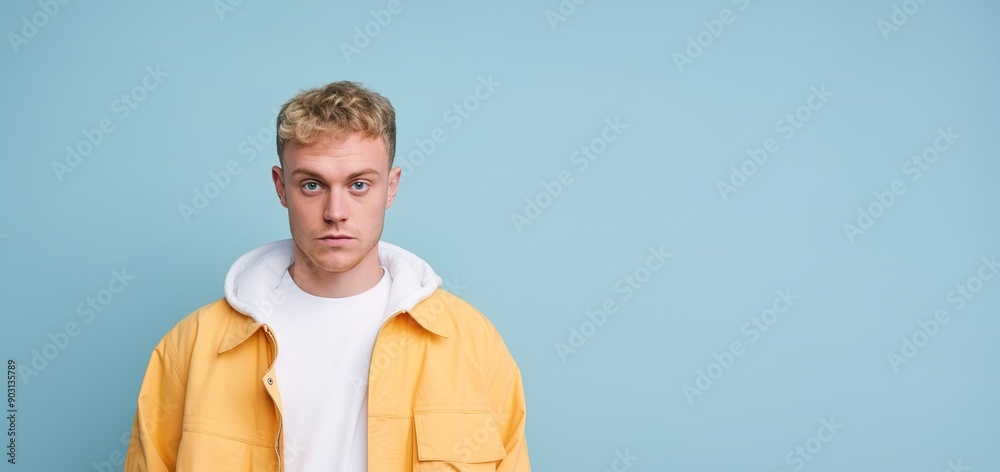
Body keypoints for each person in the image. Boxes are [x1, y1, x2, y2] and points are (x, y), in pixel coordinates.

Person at [123, 81, 531, 471]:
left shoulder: (471, 343)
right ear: (282, 187)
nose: (336, 212)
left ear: (391, 187)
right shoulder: (190, 350)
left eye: (358, 184)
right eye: (313, 185)